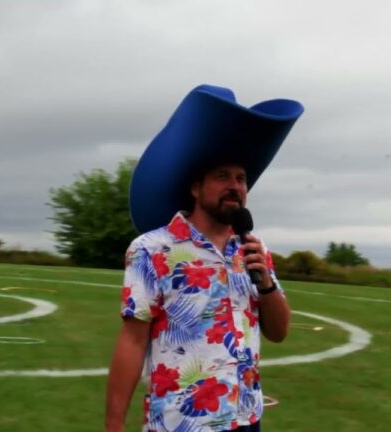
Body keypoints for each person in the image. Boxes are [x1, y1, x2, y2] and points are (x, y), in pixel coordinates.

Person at [105, 84, 304, 432]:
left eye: (242, 179)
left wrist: (267, 283)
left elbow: (279, 331)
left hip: (245, 418)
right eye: (222, 177)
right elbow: (133, 339)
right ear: (195, 188)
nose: (236, 186)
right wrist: (113, 424)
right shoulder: (152, 250)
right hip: (182, 422)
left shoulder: (255, 250)